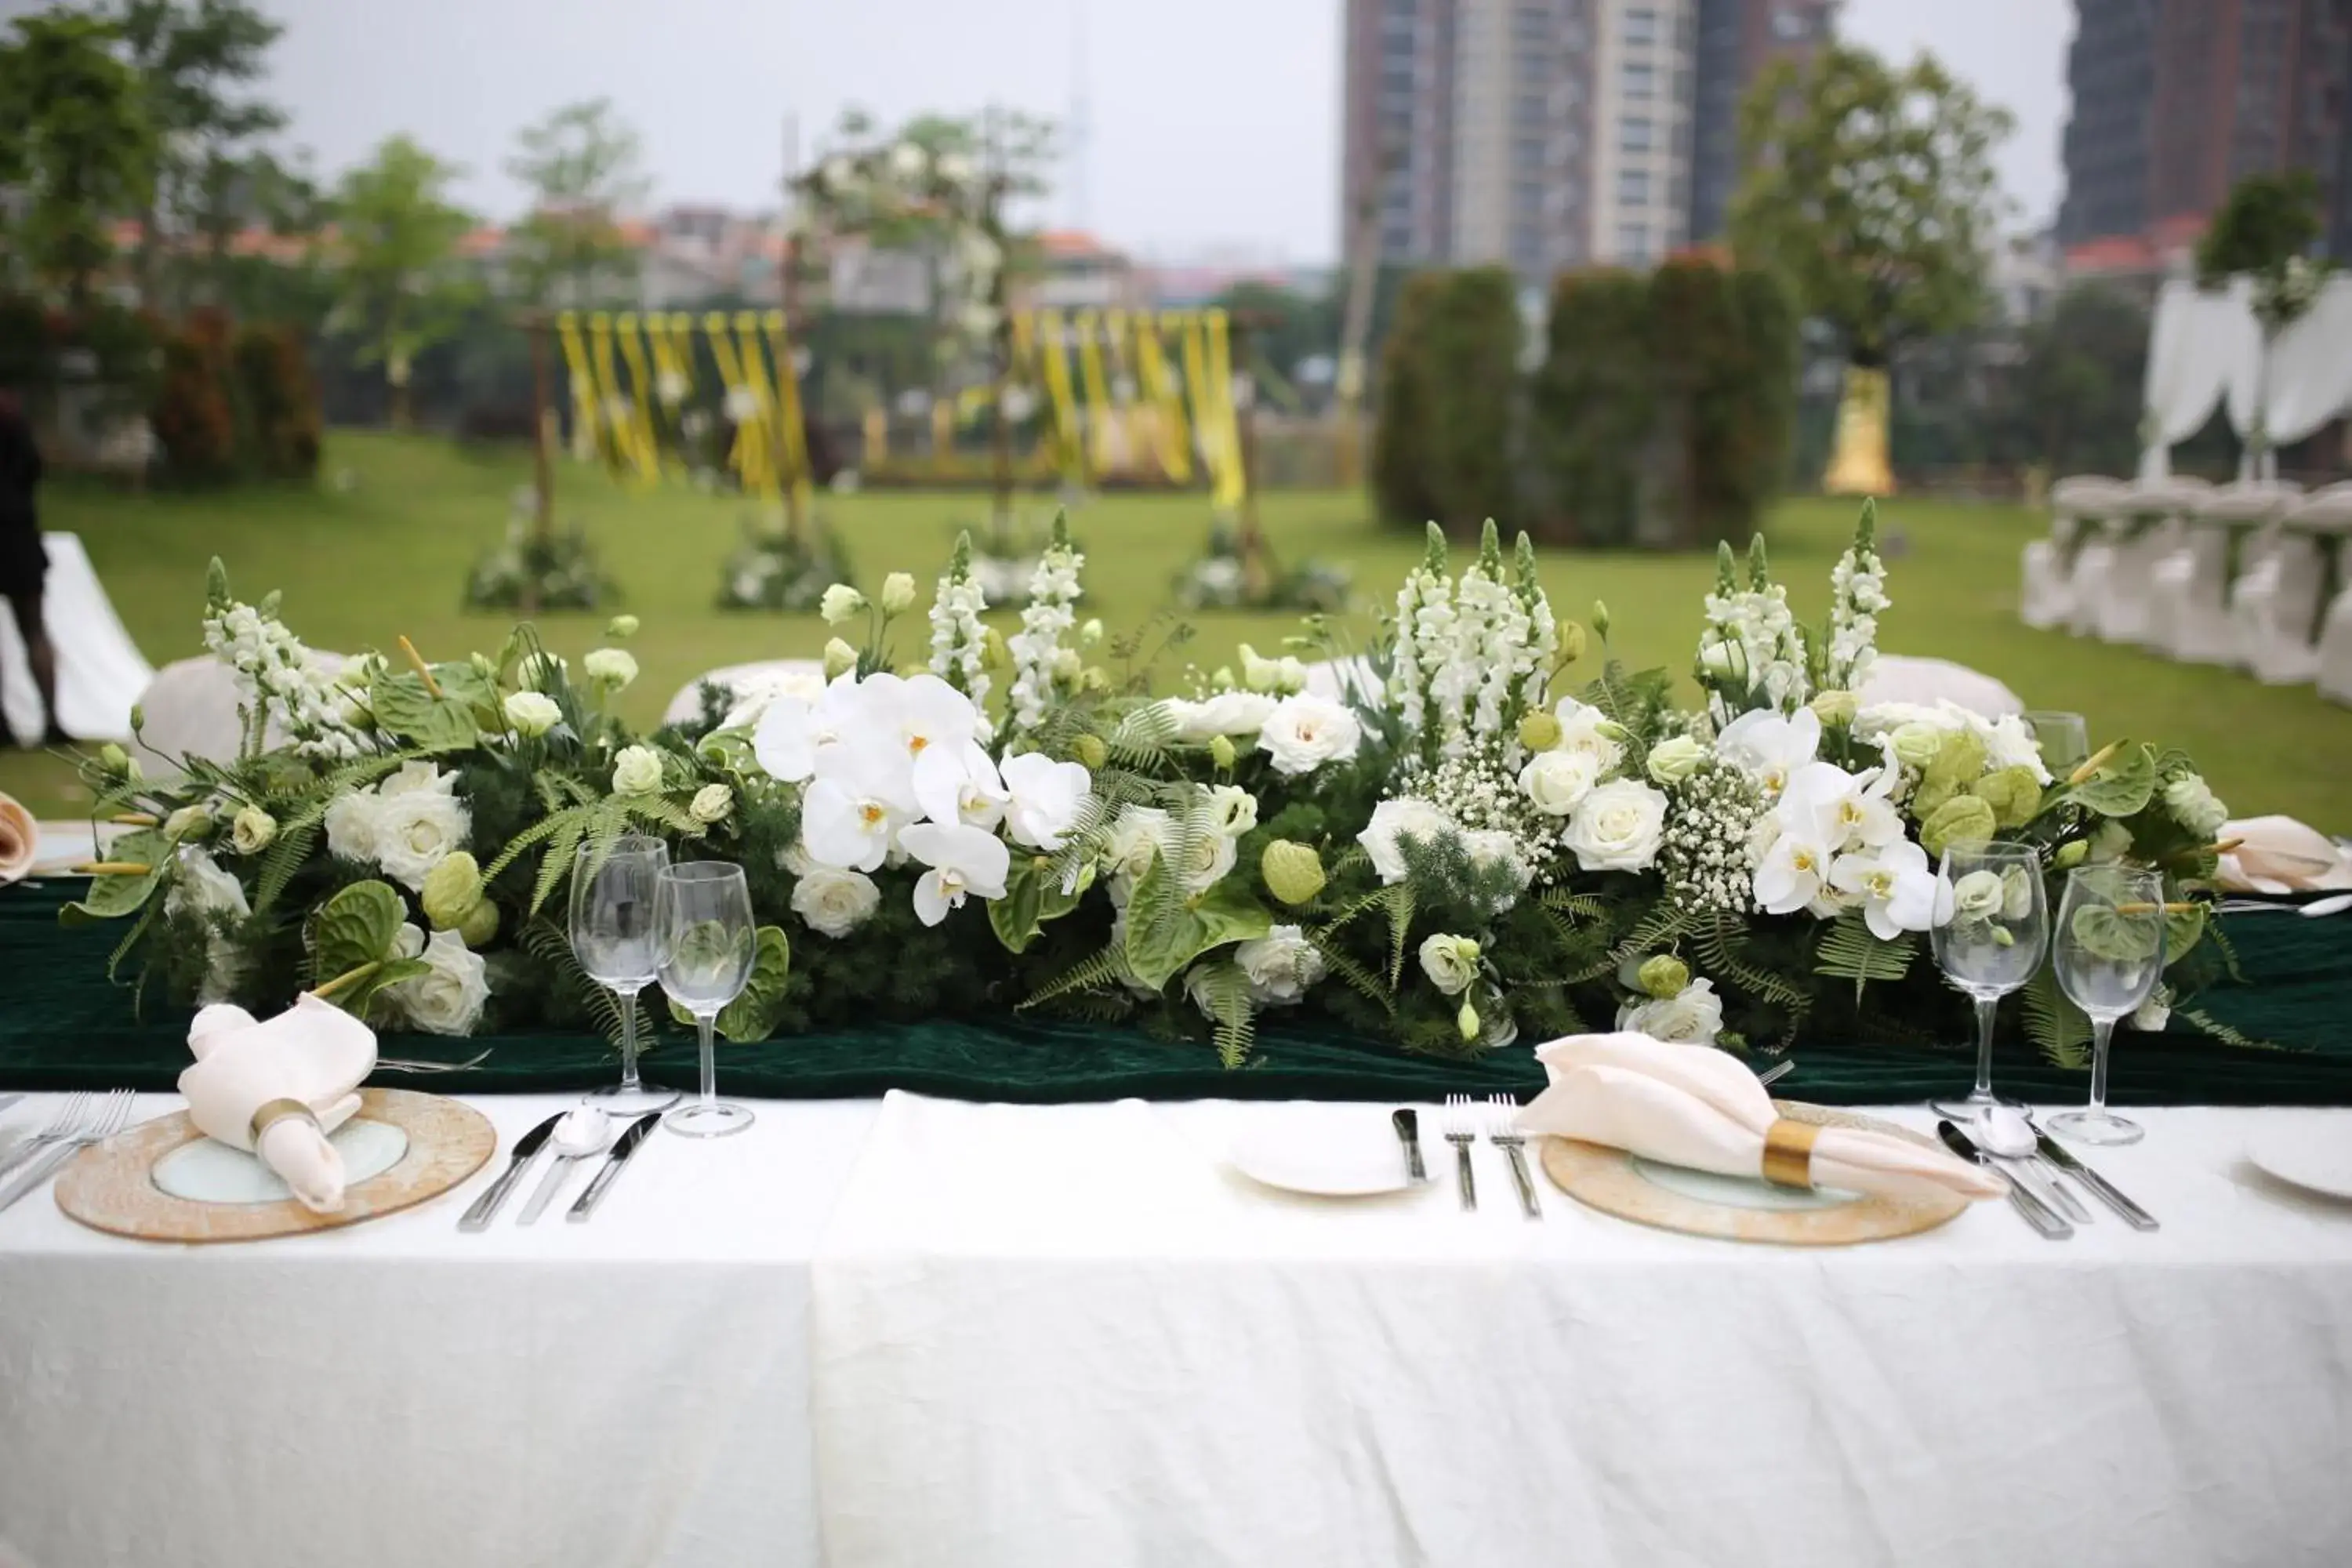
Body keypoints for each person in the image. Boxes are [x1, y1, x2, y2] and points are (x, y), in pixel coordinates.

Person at [0, 389, 66, 746]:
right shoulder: (12, 415)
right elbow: (32, 467)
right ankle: (51, 718)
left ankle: (3, 725)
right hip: (18, 532)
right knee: (34, 630)